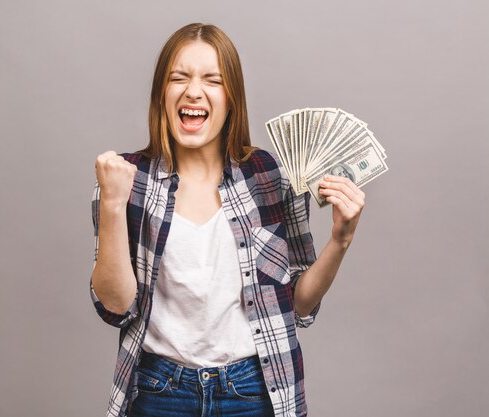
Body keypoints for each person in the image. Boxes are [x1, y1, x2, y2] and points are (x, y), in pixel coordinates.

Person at [90, 23, 365, 417]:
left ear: (231, 97)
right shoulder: (126, 179)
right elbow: (116, 307)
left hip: (255, 391)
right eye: (178, 78)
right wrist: (114, 205)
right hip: (158, 391)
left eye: (212, 80)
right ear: (161, 93)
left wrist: (340, 240)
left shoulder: (271, 176)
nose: (193, 91)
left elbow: (300, 305)